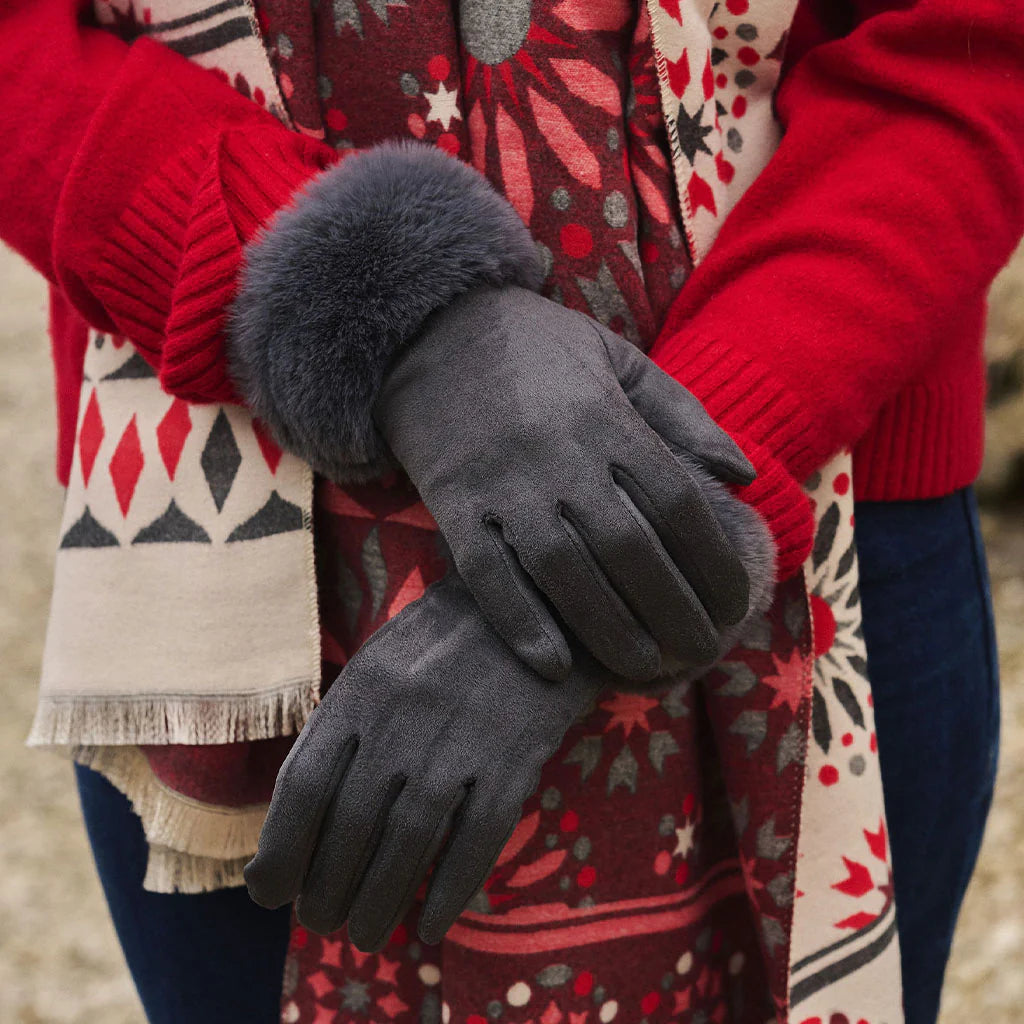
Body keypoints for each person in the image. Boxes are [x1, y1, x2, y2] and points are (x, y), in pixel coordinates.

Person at [0, 0, 1018, 1021]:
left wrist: (655, 496)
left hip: (820, 469)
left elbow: (964, 50)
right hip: (241, 527)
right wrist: (387, 316)